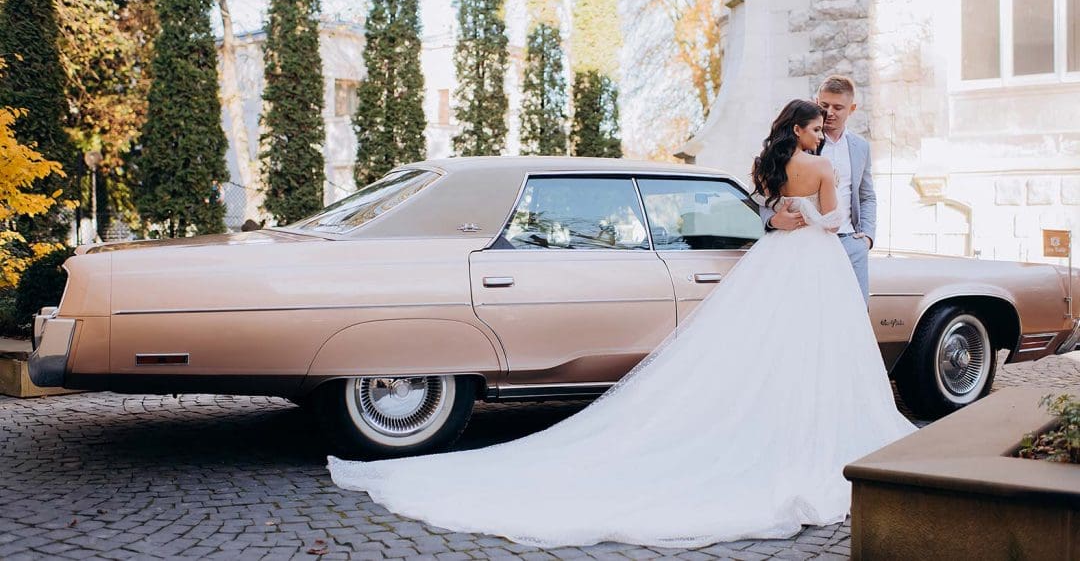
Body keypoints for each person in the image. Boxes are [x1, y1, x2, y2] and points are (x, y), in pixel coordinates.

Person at [328, 99, 915, 549]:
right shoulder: (820, 167)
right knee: (810, 354)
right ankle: (804, 429)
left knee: (760, 356)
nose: (822, 131)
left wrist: (787, 216)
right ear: (804, 127)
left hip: (774, 258)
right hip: (810, 263)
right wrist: (813, 214)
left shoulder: (771, 166)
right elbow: (835, 224)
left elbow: (766, 217)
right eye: (818, 125)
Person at [761, 75, 875, 303]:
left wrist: (867, 238)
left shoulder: (861, 147)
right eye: (824, 105)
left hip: (850, 241)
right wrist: (772, 221)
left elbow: (867, 195)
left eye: (838, 107)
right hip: (807, 244)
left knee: (856, 313)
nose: (830, 112)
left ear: (852, 109)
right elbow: (765, 193)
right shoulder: (797, 144)